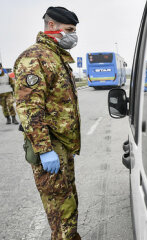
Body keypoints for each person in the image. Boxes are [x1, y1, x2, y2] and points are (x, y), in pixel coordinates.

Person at [14, 7, 81, 240]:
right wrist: (44, 150)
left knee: (67, 209)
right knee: (62, 214)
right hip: (50, 149)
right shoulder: (35, 57)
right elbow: (29, 108)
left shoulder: (56, 57)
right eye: (70, 30)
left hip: (61, 148)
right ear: (52, 26)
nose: (73, 35)